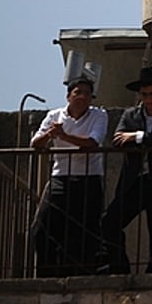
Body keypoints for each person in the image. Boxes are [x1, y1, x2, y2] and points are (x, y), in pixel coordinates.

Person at [98, 67, 152, 274]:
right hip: (134, 181)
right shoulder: (130, 115)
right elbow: (118, 141)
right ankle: (120, 266)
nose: (148, 99)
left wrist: (138, 137)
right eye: (144, 95)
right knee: (110, 222)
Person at [30, 73, 108, 277]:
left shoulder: (99, 115)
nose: (82, 97)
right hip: (60, 178)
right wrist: (50, 134)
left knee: (83, 233)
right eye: (78, 92)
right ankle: (46, 276)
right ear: (68, 96)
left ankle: (79, 277)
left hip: (88, 179)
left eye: (87, 94)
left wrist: (63, 136)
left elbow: (92, 142)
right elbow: (35, 144)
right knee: (42, 228)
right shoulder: (54, 116)